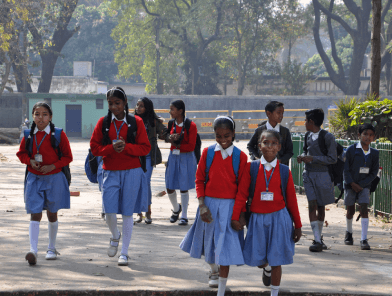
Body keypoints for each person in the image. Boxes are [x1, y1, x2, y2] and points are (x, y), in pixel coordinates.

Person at [180, 116, 247, 295]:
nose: (223, 140)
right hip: (208, 205)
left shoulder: (241, 157)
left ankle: (222, 289)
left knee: (224, 249)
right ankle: (213, 270)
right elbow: (199, 179)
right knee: (207, 244)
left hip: (230, 207)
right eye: (218, 136)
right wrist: (202, 204)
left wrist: (240, 213)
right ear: (214, 135)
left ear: (233, 134)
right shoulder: (208, 153)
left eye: (226, 135)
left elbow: (242, 189)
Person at [232, 129, 302, 296]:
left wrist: (298, 225)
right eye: (265, 143)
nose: (269, 146)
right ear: (259, 146)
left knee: (277, 259)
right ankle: (267, 269)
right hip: (257, 220)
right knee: (260, 260)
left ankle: (274, 292)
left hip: (279, 218)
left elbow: (292, 200)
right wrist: (236, 217)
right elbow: (241, 194)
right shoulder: (252, 168)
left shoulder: (285, 171)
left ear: (279, 147)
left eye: (273, 143)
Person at [90, 87, 151, 266]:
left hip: (132, 170)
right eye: (110, 103)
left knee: (127, 212)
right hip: (110, 170)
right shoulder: (103, 122)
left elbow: (145, 148)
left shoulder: (136, 122)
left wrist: (127, 147)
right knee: (109, 210)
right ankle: (115, 235)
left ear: (124, 103)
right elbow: (94, 148)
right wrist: (110, 149)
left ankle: (124, 252)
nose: (114, 107)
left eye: (117, 103)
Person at [16, 102, 73, 265]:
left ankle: (51, 248)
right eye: (37, 114)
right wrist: (30, 161)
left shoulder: (59, 135)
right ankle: (33, 250)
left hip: (54, 178)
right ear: (32, 116)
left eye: (44, 114)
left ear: (51, 117)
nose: (40, 118)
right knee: (35, 212)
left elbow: (68, 157)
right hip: (34, 178)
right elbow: (21, 153)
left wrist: (53, 166)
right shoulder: (28, 134)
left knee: (52, 213)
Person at [297, 108, 337, 252]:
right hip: (308, 174)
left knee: (320, 206)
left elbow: (332, 158)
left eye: (306, 120)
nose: (304, 123)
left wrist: (313, 158)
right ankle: (317, 239)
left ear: (311, 122)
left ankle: (319, 236)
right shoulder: (307, 136)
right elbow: (305, 150)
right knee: (312, 203)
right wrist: (302, 157)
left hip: (323, 175)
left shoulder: (327, 137)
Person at [343, 123, 379, 250]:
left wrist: (362, 185)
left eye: (371, 135)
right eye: (365, 134)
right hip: (350, 185)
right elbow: (346, 169)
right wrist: (352, 184)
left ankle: (364, 239)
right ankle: (349, 233)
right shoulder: (351, 150)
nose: (367, 137)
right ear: (359, 135)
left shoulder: (374, 153)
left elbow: (374, 172)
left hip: (364, 186)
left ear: (374, 137)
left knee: (364, 208)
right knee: (350, 210)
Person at [134, 97, 168, 224]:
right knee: (137, 183)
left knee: (145, 182)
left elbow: (164, 132)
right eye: (137, 105)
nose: (138, 107)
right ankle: (139, 213)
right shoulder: (131, 120)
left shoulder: (153, 121)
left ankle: (148, 211)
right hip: (135, 157)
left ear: (147, 107)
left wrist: (167, 134)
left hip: (148, 156)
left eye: (141, 105)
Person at [165, 100, 197, 226]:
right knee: (169, 185)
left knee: (184, 186)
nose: (170, 112)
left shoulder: (191, 125)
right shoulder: (171, 123)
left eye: (172, 109)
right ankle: (176, 208)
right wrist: (170, 139)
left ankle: (184, 215)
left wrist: (177, 144)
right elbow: (166, 137)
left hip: (186, 157)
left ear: (180, 111)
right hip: (173, 157)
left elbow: (191, 146)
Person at [247, 101, 293, 165]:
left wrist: (281, 161)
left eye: (282, 113)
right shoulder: (259, 131)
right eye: (278, 113)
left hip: (279, 169)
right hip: (262, 168)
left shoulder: (285, 132)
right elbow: (250, 146)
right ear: (269, 113)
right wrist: (256, 158)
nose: (281, 116)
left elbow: (290, 152)